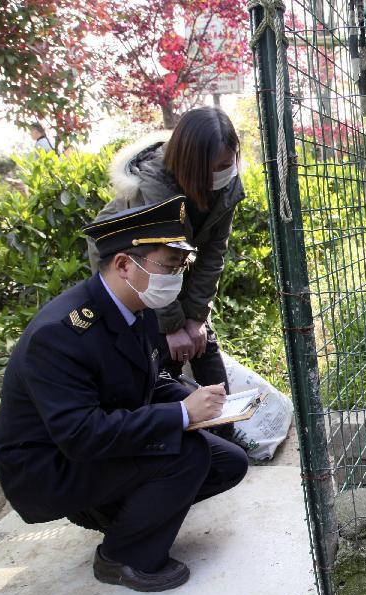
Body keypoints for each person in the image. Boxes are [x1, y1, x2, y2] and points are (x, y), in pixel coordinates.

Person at [0, 197, 249, 592]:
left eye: (181, 267)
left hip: (93, 445)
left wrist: (204, 405)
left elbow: (148, 379)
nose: (176, 277)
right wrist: (182, 414)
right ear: (125, 264)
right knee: (187, 454)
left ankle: (121, 514)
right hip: (51, 466)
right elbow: (80, 434)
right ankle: (122, 556)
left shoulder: (137, 308)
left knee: (228, 461)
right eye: (169, 266)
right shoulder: (60, 334)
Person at [88, 107, 244, 440]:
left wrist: (196, 320)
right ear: (191, 165)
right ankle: (175, 442)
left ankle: (225, 441)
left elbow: (212, 255)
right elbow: (153, 268)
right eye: (216, 167)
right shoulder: (151, 190)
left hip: (174, 270)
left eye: (229, 163)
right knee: (162, 360)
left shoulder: (227, 186)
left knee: (204, 349)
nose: (225, 172)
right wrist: (172, 327)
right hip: (135, 277)